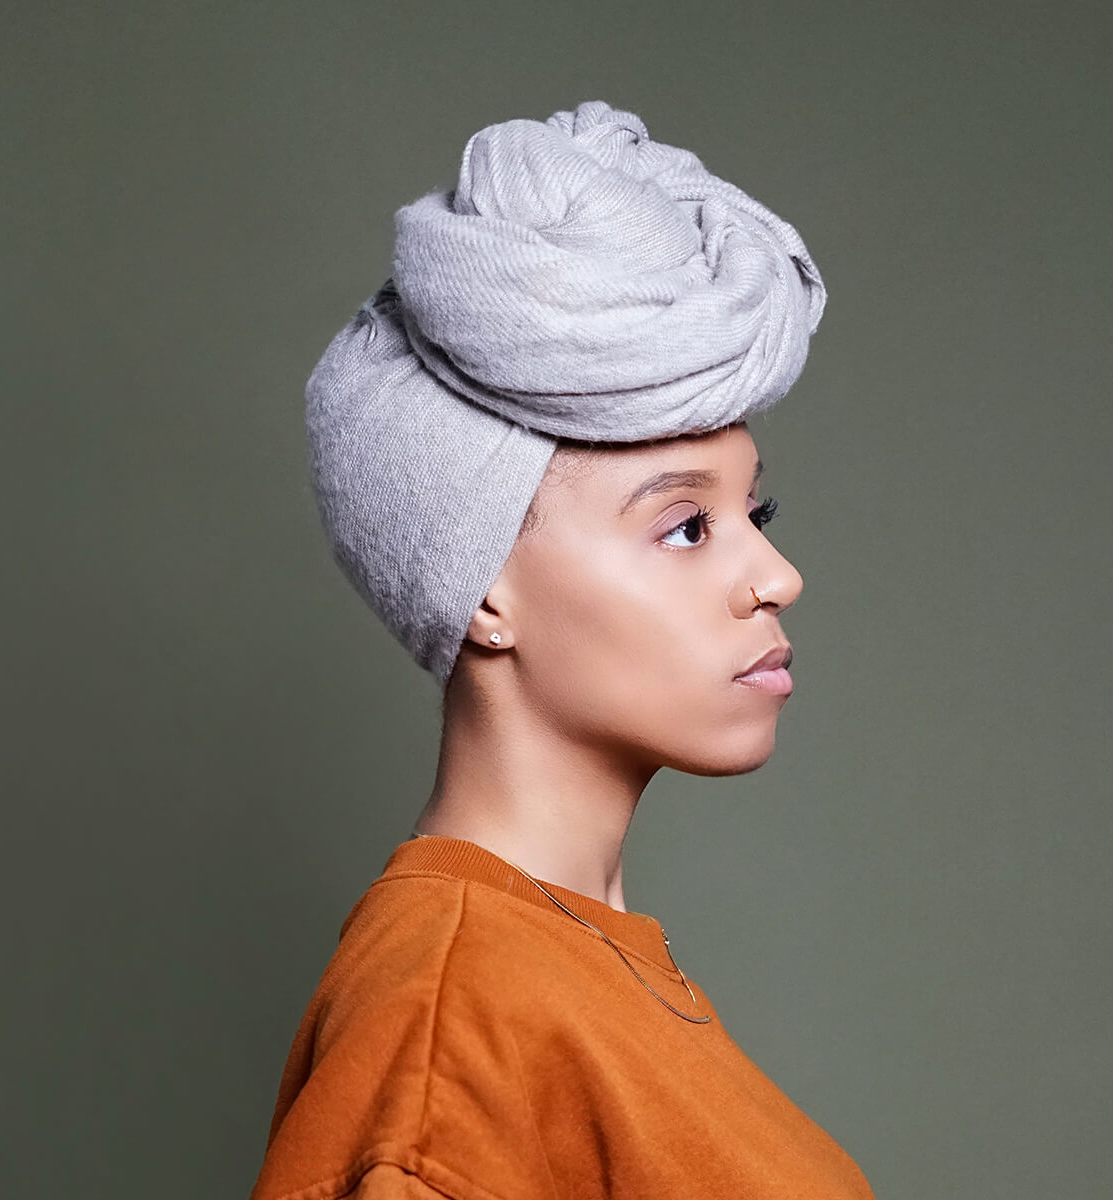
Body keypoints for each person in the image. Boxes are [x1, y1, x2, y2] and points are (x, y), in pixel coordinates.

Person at [248, 99, 876, 1199]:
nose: (777, 577)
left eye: (755, 514)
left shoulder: (565, 966)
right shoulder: (455, 1022)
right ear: (484, 591)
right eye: (685, 526)